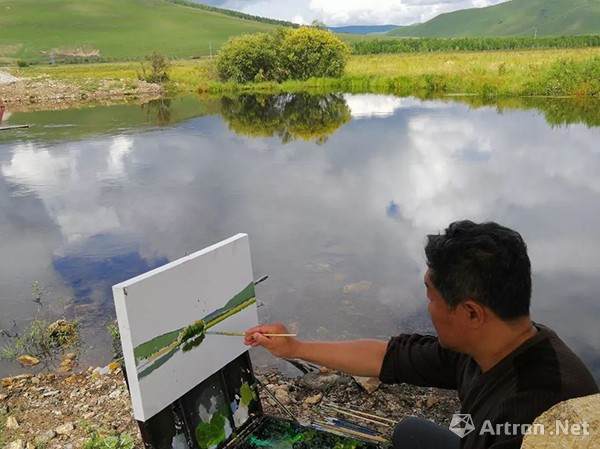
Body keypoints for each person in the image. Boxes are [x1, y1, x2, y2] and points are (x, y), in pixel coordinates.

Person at [245, 220, 599, 449]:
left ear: (471, 312)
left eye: (431, 296)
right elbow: (386, 357)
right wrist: (296, 347)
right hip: (478, 437)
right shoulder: (492, 343)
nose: (427, 307)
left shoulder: (537, 411)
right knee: (409, 431)